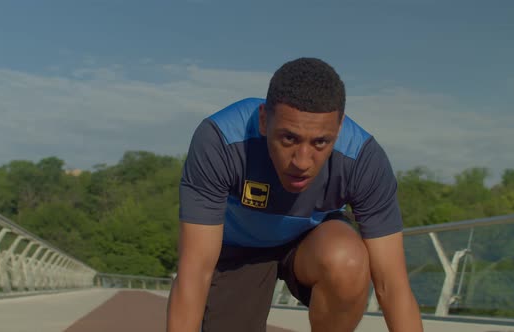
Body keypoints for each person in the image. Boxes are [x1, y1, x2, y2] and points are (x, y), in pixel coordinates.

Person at [167, 57, 423, 332]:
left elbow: (392, 287)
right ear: (264, 121)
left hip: (308, 245)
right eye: (289, 138)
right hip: (237, 250)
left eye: (320, 142)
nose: (302, 161)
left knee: (346, 260)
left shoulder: (363, 159)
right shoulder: (220, 140)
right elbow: (194, 272)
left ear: (338, 130)